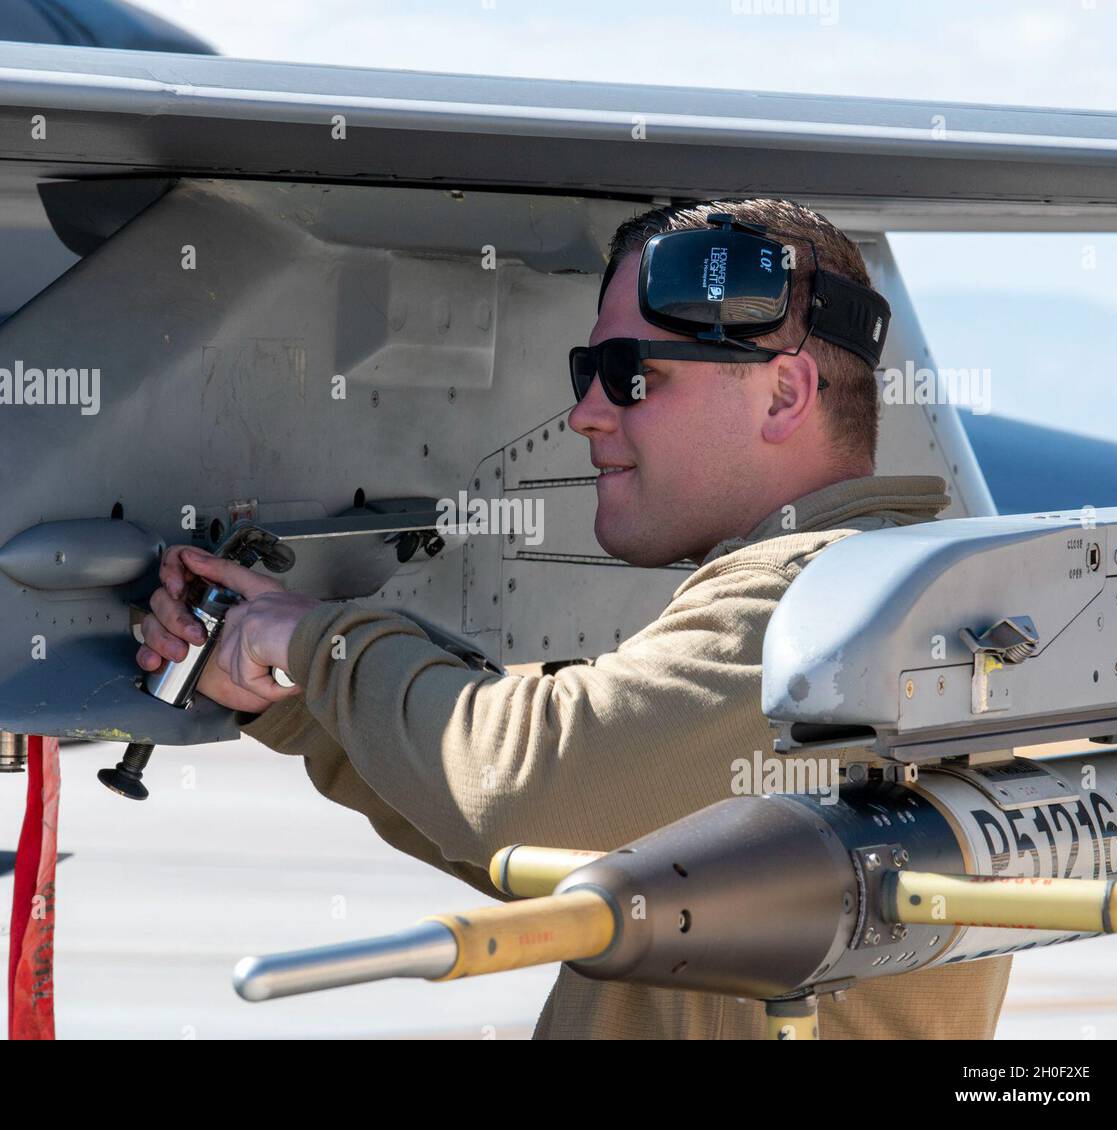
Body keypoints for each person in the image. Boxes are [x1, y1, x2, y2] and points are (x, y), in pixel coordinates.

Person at [136, 197, 1011, 1039]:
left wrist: (310, 642)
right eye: (588, 373)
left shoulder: (818, 608)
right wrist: (292, 696)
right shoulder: (901, 592)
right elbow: (583, 848)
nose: (588, 413)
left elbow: (530, 786)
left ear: (784, 396)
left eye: (636, 375)